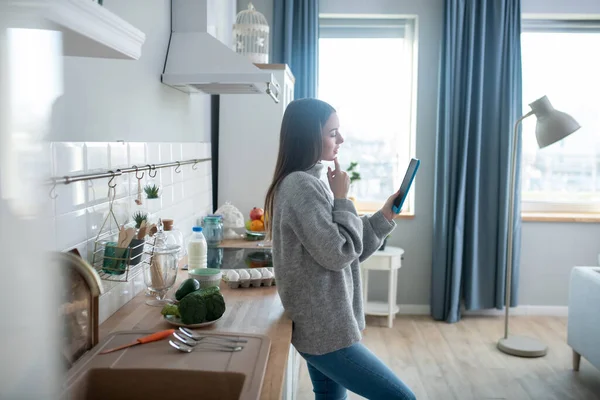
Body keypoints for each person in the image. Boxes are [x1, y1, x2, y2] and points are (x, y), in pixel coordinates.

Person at [264, 98, 416, 400]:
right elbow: (339, 253)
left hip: (322, 328)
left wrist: (384, 217)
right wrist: (343, 198)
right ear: (309, 135)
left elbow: (347, 251)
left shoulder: (308, 182)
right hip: (326, 332)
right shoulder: (301, 186)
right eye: (333, 132)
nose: (341, 139)